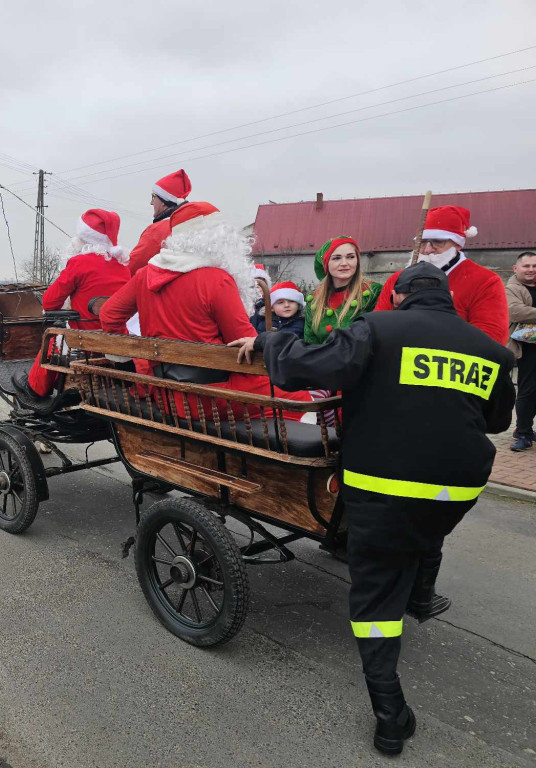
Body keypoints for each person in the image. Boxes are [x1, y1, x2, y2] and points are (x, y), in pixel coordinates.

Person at [229, 262, 515, 755]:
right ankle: (421, 593)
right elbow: (496, 420)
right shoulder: (488, 349)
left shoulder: (377, 328)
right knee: (427, 527)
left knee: (375, 599)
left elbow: (314, 367)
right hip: (459, 485)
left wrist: (271, 342)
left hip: (385, 483)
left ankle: (391, 716)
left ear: (399, 297)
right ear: (446, 298)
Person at [101, 206, 311, 417]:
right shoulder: (216, 279)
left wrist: (139, 364)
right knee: (300, 396)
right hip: (212, 396)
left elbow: (109, 315)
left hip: (166, 394)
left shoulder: (145, 274)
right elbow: (244, 342)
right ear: (216, 239)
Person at [13, 209, 131, 408]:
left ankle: (35, 388)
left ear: (83, 238)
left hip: (85, 341)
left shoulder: (79, 263)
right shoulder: (122, 266)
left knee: (52, 339)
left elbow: (50, 303)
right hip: (116, 339)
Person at [375, 205, 509, 343]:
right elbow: (378, 328)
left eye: (437, 242)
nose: (427, 250)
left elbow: (492, 339)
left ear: (457, 244)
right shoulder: (397, 279)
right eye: (422, 242)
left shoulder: (485, 281)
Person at [127, 169, 219, 276]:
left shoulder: (157, 229)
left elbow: (131, 267)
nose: (151, 202)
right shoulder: (195, 224)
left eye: (154, 196)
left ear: (164, 201)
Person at [303, 236, 381, 344]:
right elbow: (309, 341)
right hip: (321, 359)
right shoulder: (314, 299)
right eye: (336, 258)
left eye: (350, 257)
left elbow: (377, 336)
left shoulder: (373, 292)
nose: (344, 263)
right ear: (326, 264)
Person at [506, 251, 536, 451]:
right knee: (527, 390)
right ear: (516, 269)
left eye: (534, 266)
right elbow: (515, 311)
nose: (531, 270)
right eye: (526, 266)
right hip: (527, 347)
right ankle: (523, 432)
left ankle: (526, 429)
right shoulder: (511, 288)